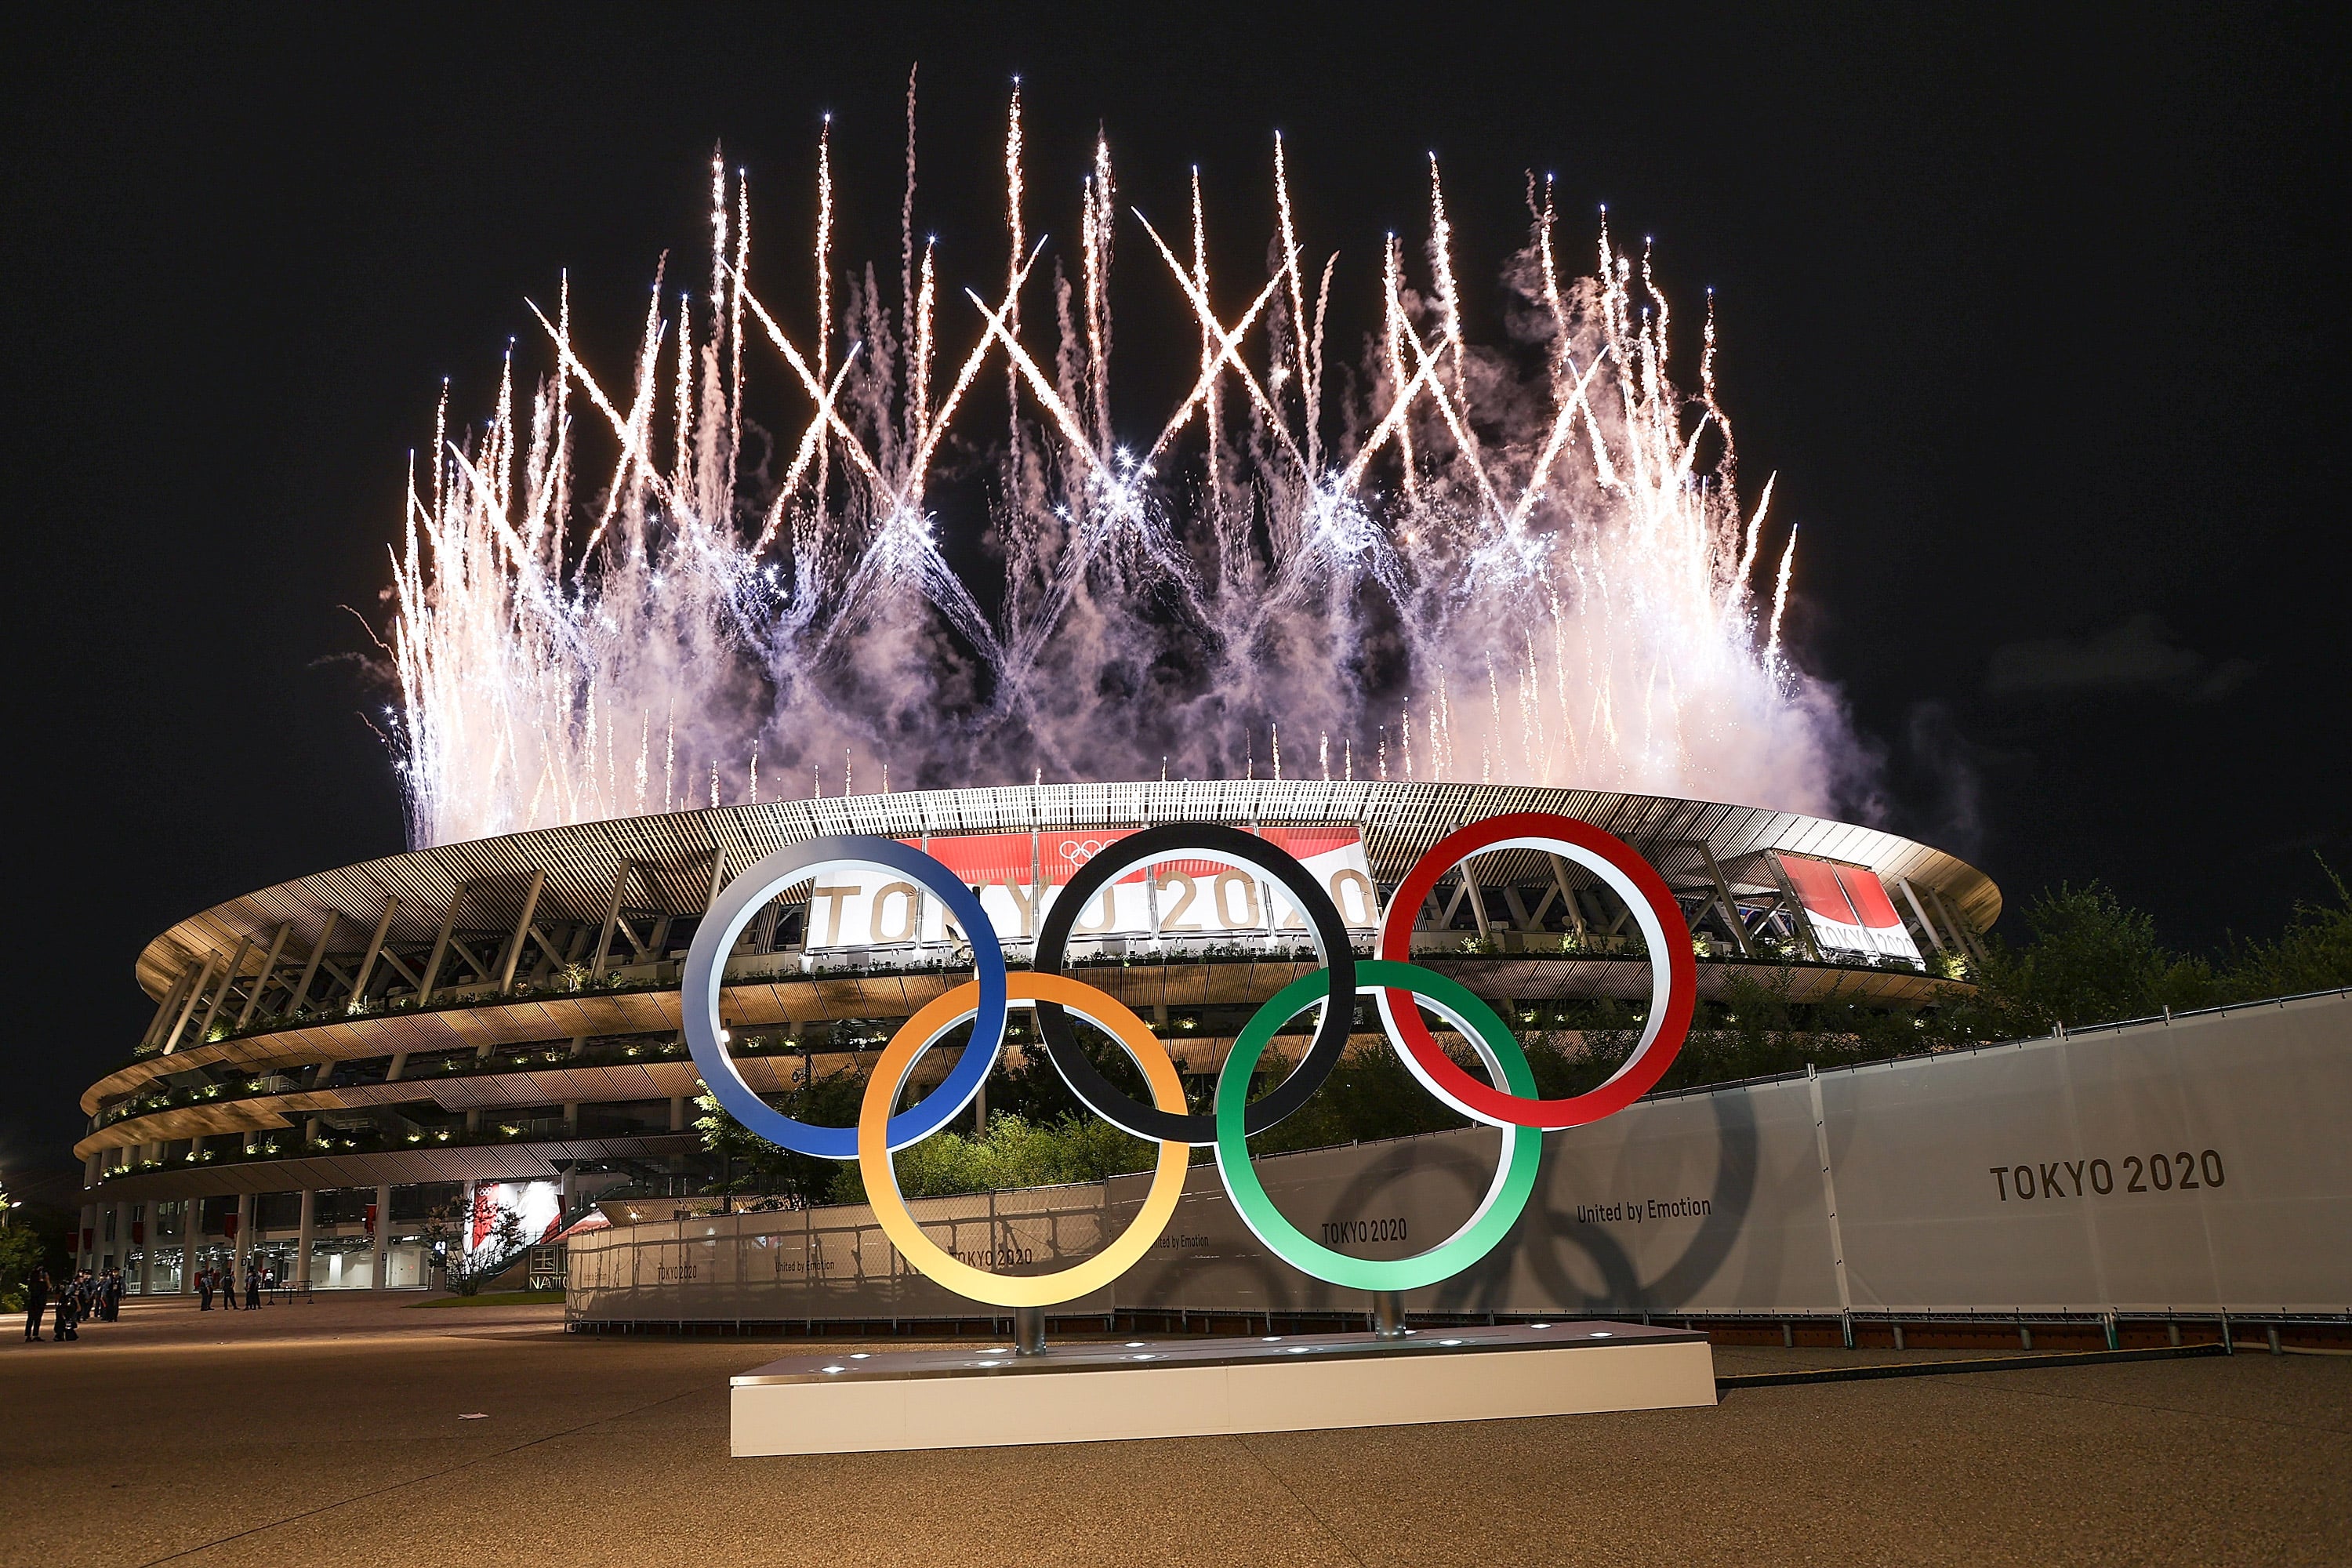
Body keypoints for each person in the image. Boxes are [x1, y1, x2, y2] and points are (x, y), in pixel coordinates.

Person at [23, 1267, 48, 1341]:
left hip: (32, 1303)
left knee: (30, 1319)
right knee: (37, 1319)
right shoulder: (42, 1284)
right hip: (39, 1303)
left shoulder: (31, 1284)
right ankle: (35, 1335)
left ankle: (28, 1335)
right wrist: (47, 1280)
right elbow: (49, 1288)